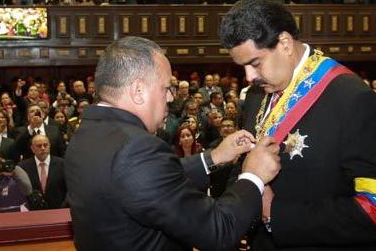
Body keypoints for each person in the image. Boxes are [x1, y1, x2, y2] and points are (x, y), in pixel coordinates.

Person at [219, 0, 376, 249]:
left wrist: (274, 214)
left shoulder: (354, 99)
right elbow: (246, 164)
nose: (249, 77)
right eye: (242, 67)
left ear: (285, 43)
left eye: (255, 63)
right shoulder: (257, 94)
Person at [65, 36, 281, 250]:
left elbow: (147, 182)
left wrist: (213, 157)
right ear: (138, 91)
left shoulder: (88, 131)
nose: (170, 98)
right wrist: (253, 176)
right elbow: (218, 230)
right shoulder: (137, 148)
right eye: (166, 88)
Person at [18, 134, 66, 209]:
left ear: (49, 146)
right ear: (32, 149)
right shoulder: (23, 167)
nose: (43, 148)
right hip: (33, 212)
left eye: (45, 145)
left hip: (58, 211)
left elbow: (68, 189)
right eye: (39, 146)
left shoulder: (62, 164)